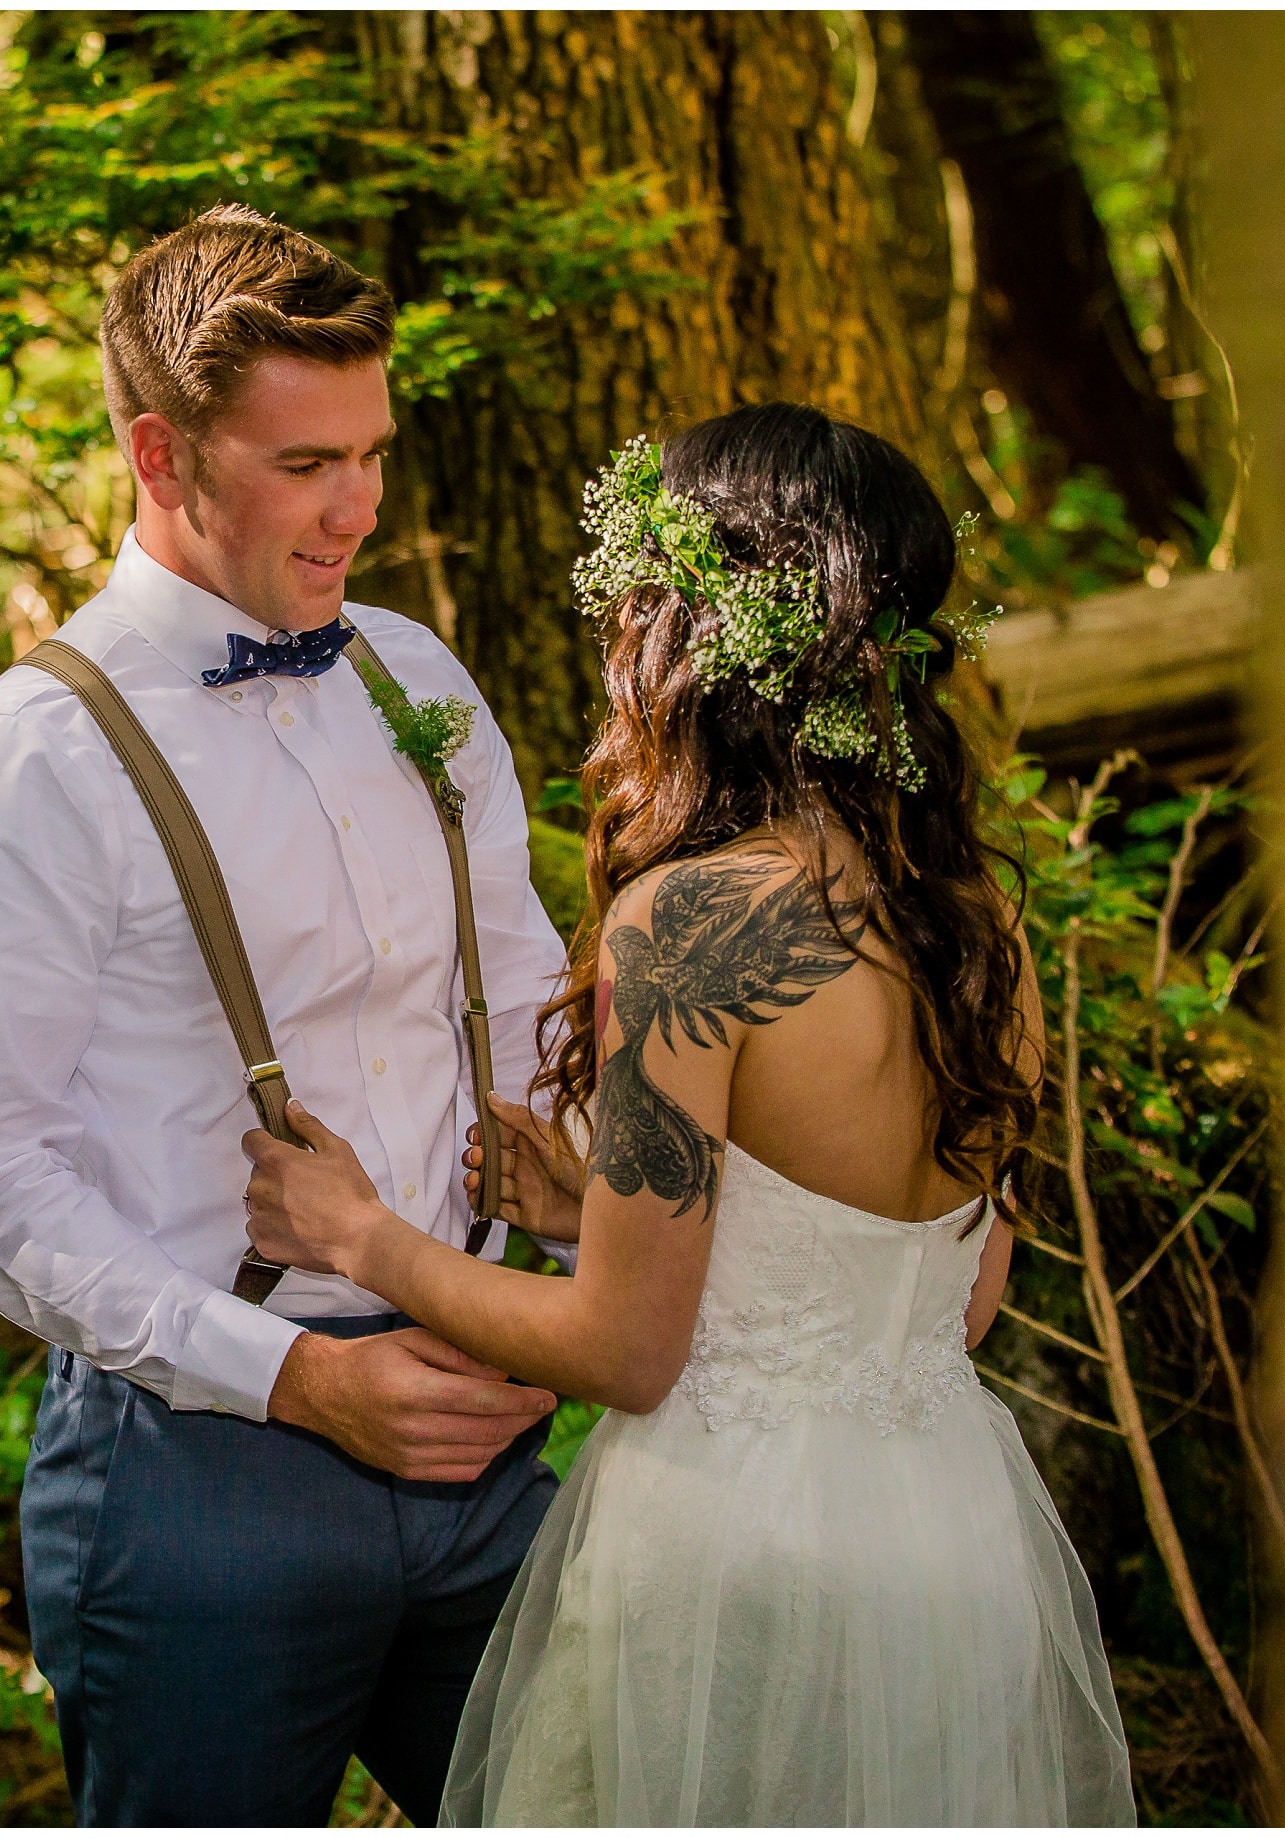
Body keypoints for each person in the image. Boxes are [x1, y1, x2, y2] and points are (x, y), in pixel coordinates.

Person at [242, 403, 1139, 1824]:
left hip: (739, 1564)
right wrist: (585, 1206)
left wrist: (363, 1238)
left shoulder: (694, 927)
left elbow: (627, 1351)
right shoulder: (979, 930)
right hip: (951, 1530)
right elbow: (953, 1303)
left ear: (687, 637)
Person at [0, 204, 576, 1825]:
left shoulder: (422, 679)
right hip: (198, 1479)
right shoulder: (18, 769)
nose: (360, 508)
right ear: (160, 452)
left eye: (376, 451)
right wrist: (293, 1377)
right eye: (304, 462)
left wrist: (593, 1272)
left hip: (491, 1438)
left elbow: (531, 1005)